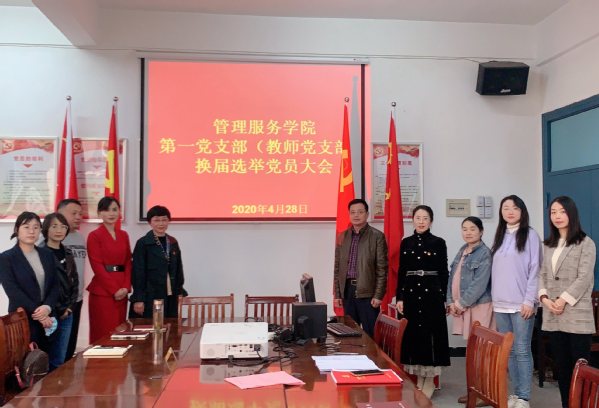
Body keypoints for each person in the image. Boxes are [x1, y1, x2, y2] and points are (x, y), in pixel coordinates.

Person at [538, 196, 596, 408]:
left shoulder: (585, 243)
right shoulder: (547, 245)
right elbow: (541, 275)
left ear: (572, 213)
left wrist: (562, 300)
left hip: (576, 315)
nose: (557, 216)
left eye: (562, 211)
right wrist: (544, 298)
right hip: (553, 314)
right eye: (553, 212)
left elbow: (584, 278)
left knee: (580, 370)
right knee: (562, 369)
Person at [491, 195, 542, 408]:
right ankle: (514, 393)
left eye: (514, 208)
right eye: (506, 208)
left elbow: (535, 269)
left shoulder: (530, 235)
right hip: (500, 304)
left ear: (522, 211)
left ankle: (524, 397)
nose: (510, 212)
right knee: (509, 351)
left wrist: (530, 300)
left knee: (521, 349)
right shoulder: (500, 235)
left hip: (522, 304)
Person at [395, 205, 450, 398]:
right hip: (411, 293)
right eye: (418, 217)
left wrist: (445, 298)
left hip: (432, 294)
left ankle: (430, 380)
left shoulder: (438, 242)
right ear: (413, 220)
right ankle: (419, 377)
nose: (421, 221)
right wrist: (399, 297)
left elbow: (443, 272)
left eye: (425, 218)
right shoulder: (406, 243)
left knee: (430, 335)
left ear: (431, 221)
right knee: (414, 335)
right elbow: (402, 271)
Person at [447, 216, 494, 405]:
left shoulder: (484, 253)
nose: (468, 232)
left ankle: (484, 393)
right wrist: (450, 302)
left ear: (481, 231)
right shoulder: (463, 250)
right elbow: (452, 277)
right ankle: (474, 391)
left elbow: (479, 285)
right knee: (472, 351)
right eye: (464, 229)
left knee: (482, 352)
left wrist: (459, 304)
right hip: (463, 306)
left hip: (479, 306)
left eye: (472, 229)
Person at [0, 212, 59, 352]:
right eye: (26, 227)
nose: (31, 231)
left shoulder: (47, 255)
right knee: (24, 361)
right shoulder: (6, 258)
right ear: (17, 230)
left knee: (46, 359)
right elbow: (12, 291)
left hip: (47, 319)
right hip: (22, 318)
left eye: (36, 227)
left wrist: (47, 308)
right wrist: (39, 313)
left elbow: (55, 285)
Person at [334, 198, 388, 337]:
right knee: (349, 334)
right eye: (352, 212)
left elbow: (382, 269)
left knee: (371, 334)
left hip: (368, 293)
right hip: (348, 292)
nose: (356, 215)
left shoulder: (377, 236)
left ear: (367, 214)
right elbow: (337, 267)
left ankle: (373, 353)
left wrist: (378, 295)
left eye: (360, 212)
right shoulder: (342, 236)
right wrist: (338, 294)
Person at [87, 197, 132, 343]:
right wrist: (114, 289)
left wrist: (125, 286)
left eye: (114, 209)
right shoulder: (94, 236)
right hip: (103, 292)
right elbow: (97, 265)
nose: (111, 213)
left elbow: (128, 262)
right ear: (99, 213)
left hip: (122, 290)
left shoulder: (124, 235)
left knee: (120, 333)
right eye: (106, 210)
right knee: (103, 334)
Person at [130, 205, 187, 318]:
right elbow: (138, 272)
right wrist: (139, 299)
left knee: (171, 325)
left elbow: (178, 269)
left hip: (171, 294)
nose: (161, 223)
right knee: (154, 325)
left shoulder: (173, 242)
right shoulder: (143, 243)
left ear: (168, 221)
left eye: (164, 220)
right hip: (151, 295)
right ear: (150, 222)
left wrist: (180, 292)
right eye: (156, 220)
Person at [40, 212, 79, 371]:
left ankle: (56, 386)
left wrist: (69, 307)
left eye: (63, 227)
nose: (59, 230)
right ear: (46, 229)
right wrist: (56, 308)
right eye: (54, 226)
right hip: (48, 313)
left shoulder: (68, 252)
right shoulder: (40, 253)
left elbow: (74, 281)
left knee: (60, 359)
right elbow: (44, 286)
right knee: (45, 357)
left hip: (67, 313)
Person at [57, 198, 87, 360]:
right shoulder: (52, 237)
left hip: (77, 298)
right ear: (59, 214)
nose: (78, 217)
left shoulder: (80, 237)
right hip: (60, 301)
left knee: (70, 344)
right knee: (58, 347)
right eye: (73, 213)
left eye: (80, 214)